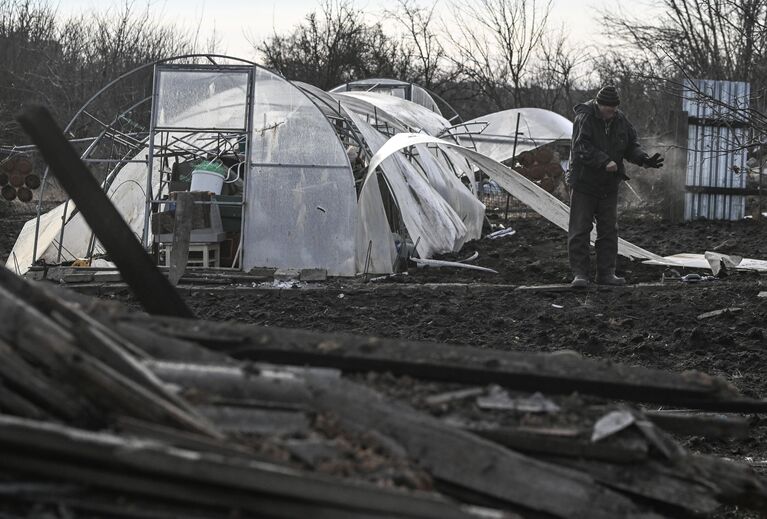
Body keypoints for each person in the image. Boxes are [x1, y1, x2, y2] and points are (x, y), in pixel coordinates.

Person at [567, 84, 664, 288]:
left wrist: (643, 159)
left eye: (613, 110)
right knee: (580, 230)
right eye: (607, 110)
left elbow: (630, 145)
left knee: (609, 230)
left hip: (609, 185)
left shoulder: (620, 120)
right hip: (584, 183)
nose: (610, 114)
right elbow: (581, 146)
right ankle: (580, 275)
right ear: (598, 105)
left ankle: (606, 273)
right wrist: (603, 161)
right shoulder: (585, 118)